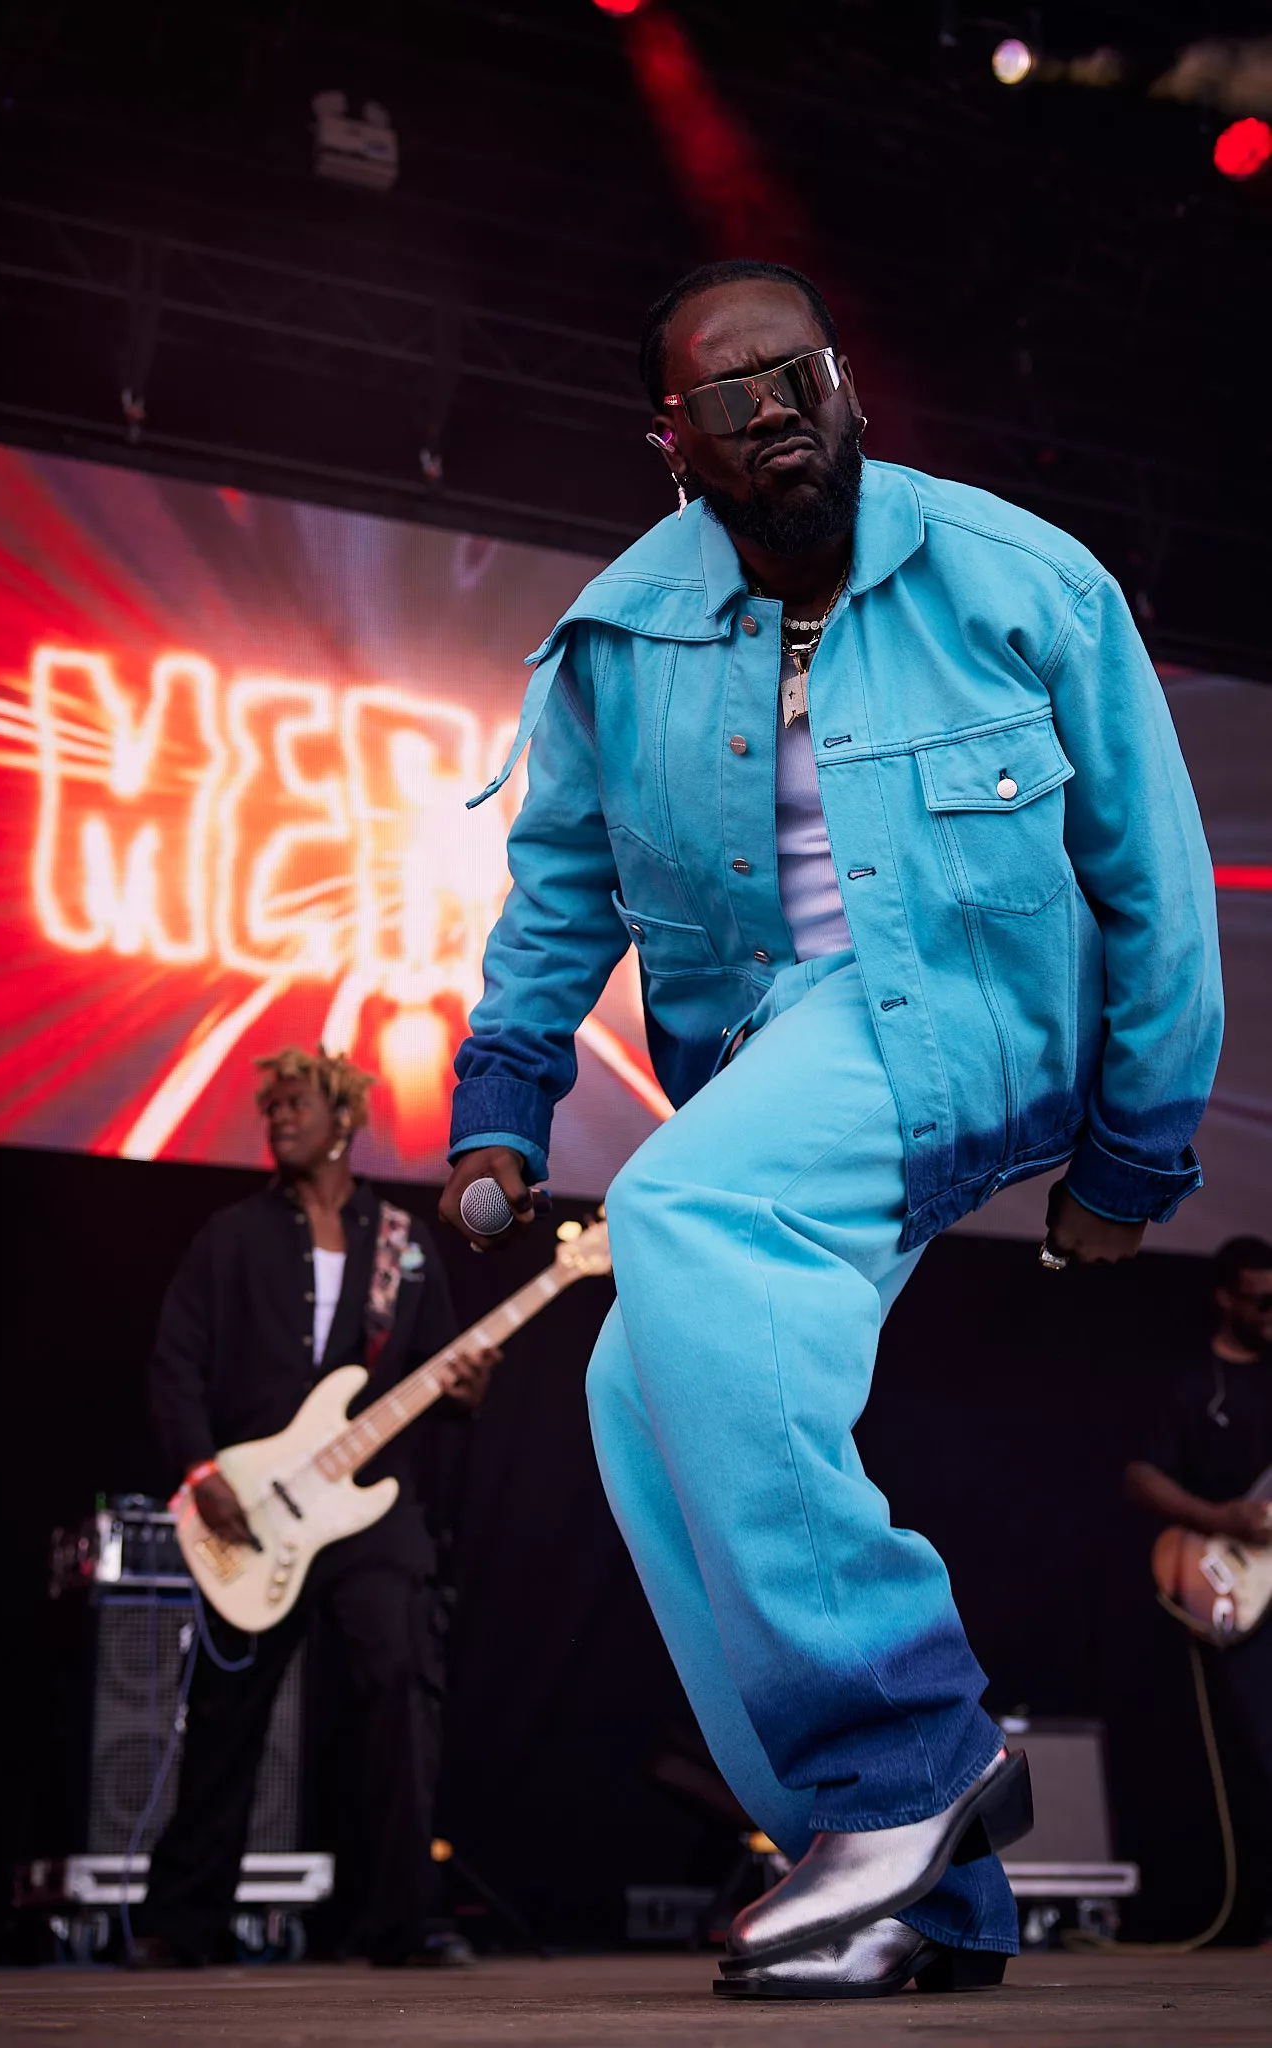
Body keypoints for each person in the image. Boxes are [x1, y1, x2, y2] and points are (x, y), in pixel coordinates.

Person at [438, 258, 1223, 1999]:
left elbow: (1155, 880)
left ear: (846, 383)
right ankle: (895, 1890)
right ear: (673, 442)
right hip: (772, 1052)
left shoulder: (1020, 579)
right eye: (730, 396)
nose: (778, 411)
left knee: (680, 1215)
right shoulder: (620, 634)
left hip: (966, 1013)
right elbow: (557, 890)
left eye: (801, 374)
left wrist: (1133, 1153)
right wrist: (502, 1104)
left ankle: (904, 1756)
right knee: (640, 1382)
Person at [137, 1046, 495, 1967]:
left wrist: (464, 1387)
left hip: (369, 1510)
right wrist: (201, 1473)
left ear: (343, 1120)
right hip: (252, 1507)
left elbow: (439, 1372)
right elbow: (175, 1363)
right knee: (227, 1715)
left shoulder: (402, 1243)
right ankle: (184, 1921)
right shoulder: (229, 1237)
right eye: (272, 1107)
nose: (280, 1118)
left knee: (402, 1691)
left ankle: (403, 1920)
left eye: (297, 1103)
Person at [1126, 1234, 1272, 1942]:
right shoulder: (1195, 1385)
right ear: (1224, 1297)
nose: (1270, 1313)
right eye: (1259, 1300)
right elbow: (1141, 1476)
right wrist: (1223, 1519)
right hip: (1234, 1584)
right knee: (1254, 1751)